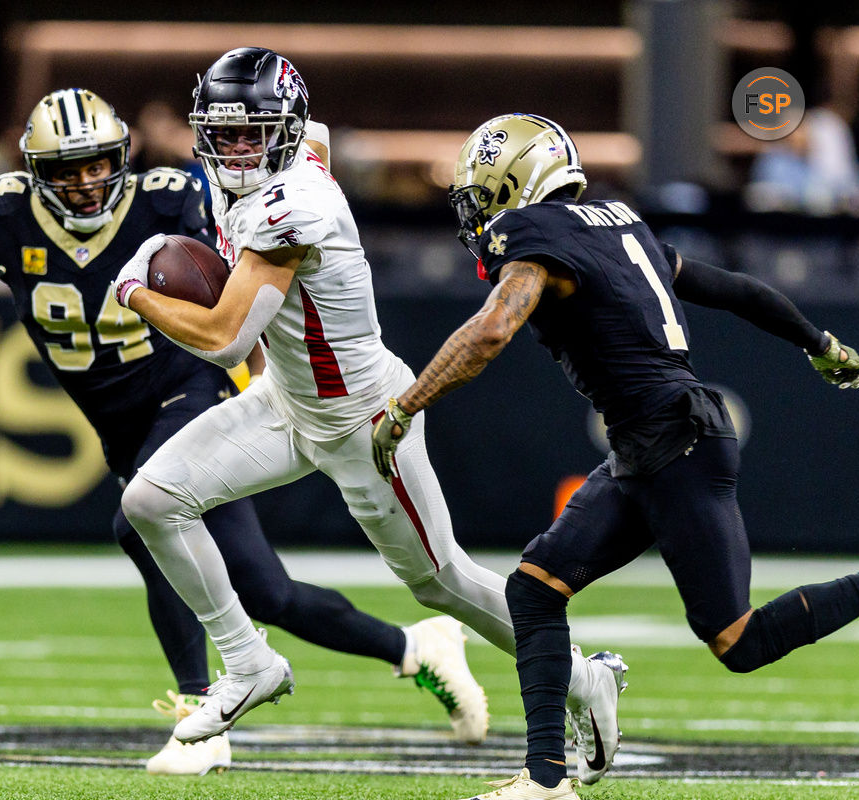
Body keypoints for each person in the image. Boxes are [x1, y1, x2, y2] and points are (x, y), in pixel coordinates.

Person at [0, 87, 486, 776]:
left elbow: (246, 296)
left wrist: (269, 382)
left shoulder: (169, 197)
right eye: (66, 169)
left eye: (96, 163)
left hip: (189, 392)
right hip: (117, 423)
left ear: (121, 155)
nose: (86, 183)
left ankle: (202, 711)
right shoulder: (5, 212)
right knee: (268, 593)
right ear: (35, 173)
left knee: (137, 518)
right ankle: (418, 649)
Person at [113, 48, 625, 778]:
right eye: (223, 133)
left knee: (438, 578)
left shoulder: (294, 206)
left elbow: (227, 334)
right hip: (288, 404)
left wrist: (136, 291)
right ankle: (247, 660)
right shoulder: (293, 149)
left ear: (280, 134)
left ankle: (582, 675)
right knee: (153, 500)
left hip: (363, 418)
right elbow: (313, 133)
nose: (235, 149)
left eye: (252, 134)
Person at [371, 112, 859, 800]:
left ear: (521, 180)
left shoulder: (534, 232)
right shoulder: (620, 221)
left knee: (738, 640)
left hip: (675, 440)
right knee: (535, 588)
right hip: (650, 441)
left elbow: (490, 333)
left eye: (485, 191)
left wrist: (404, 406)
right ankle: (545, 781)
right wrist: (820, 342)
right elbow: (739, 291)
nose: (479, 210)